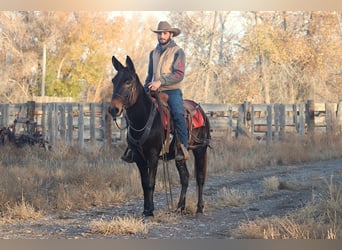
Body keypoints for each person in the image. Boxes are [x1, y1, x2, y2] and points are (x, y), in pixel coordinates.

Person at [121, 21, 188, 162]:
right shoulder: (154, 53)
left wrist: (160, 82)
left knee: (177, 113)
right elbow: (150, 74)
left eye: (165, 33)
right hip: (153, 89)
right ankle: (132, 147)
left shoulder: (177, 52)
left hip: (171, 90)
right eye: (159, 33)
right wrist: (144, 88)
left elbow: (179, 74)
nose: (162, 36)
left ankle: (183, 147)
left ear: (170, 34)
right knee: (134, 109)